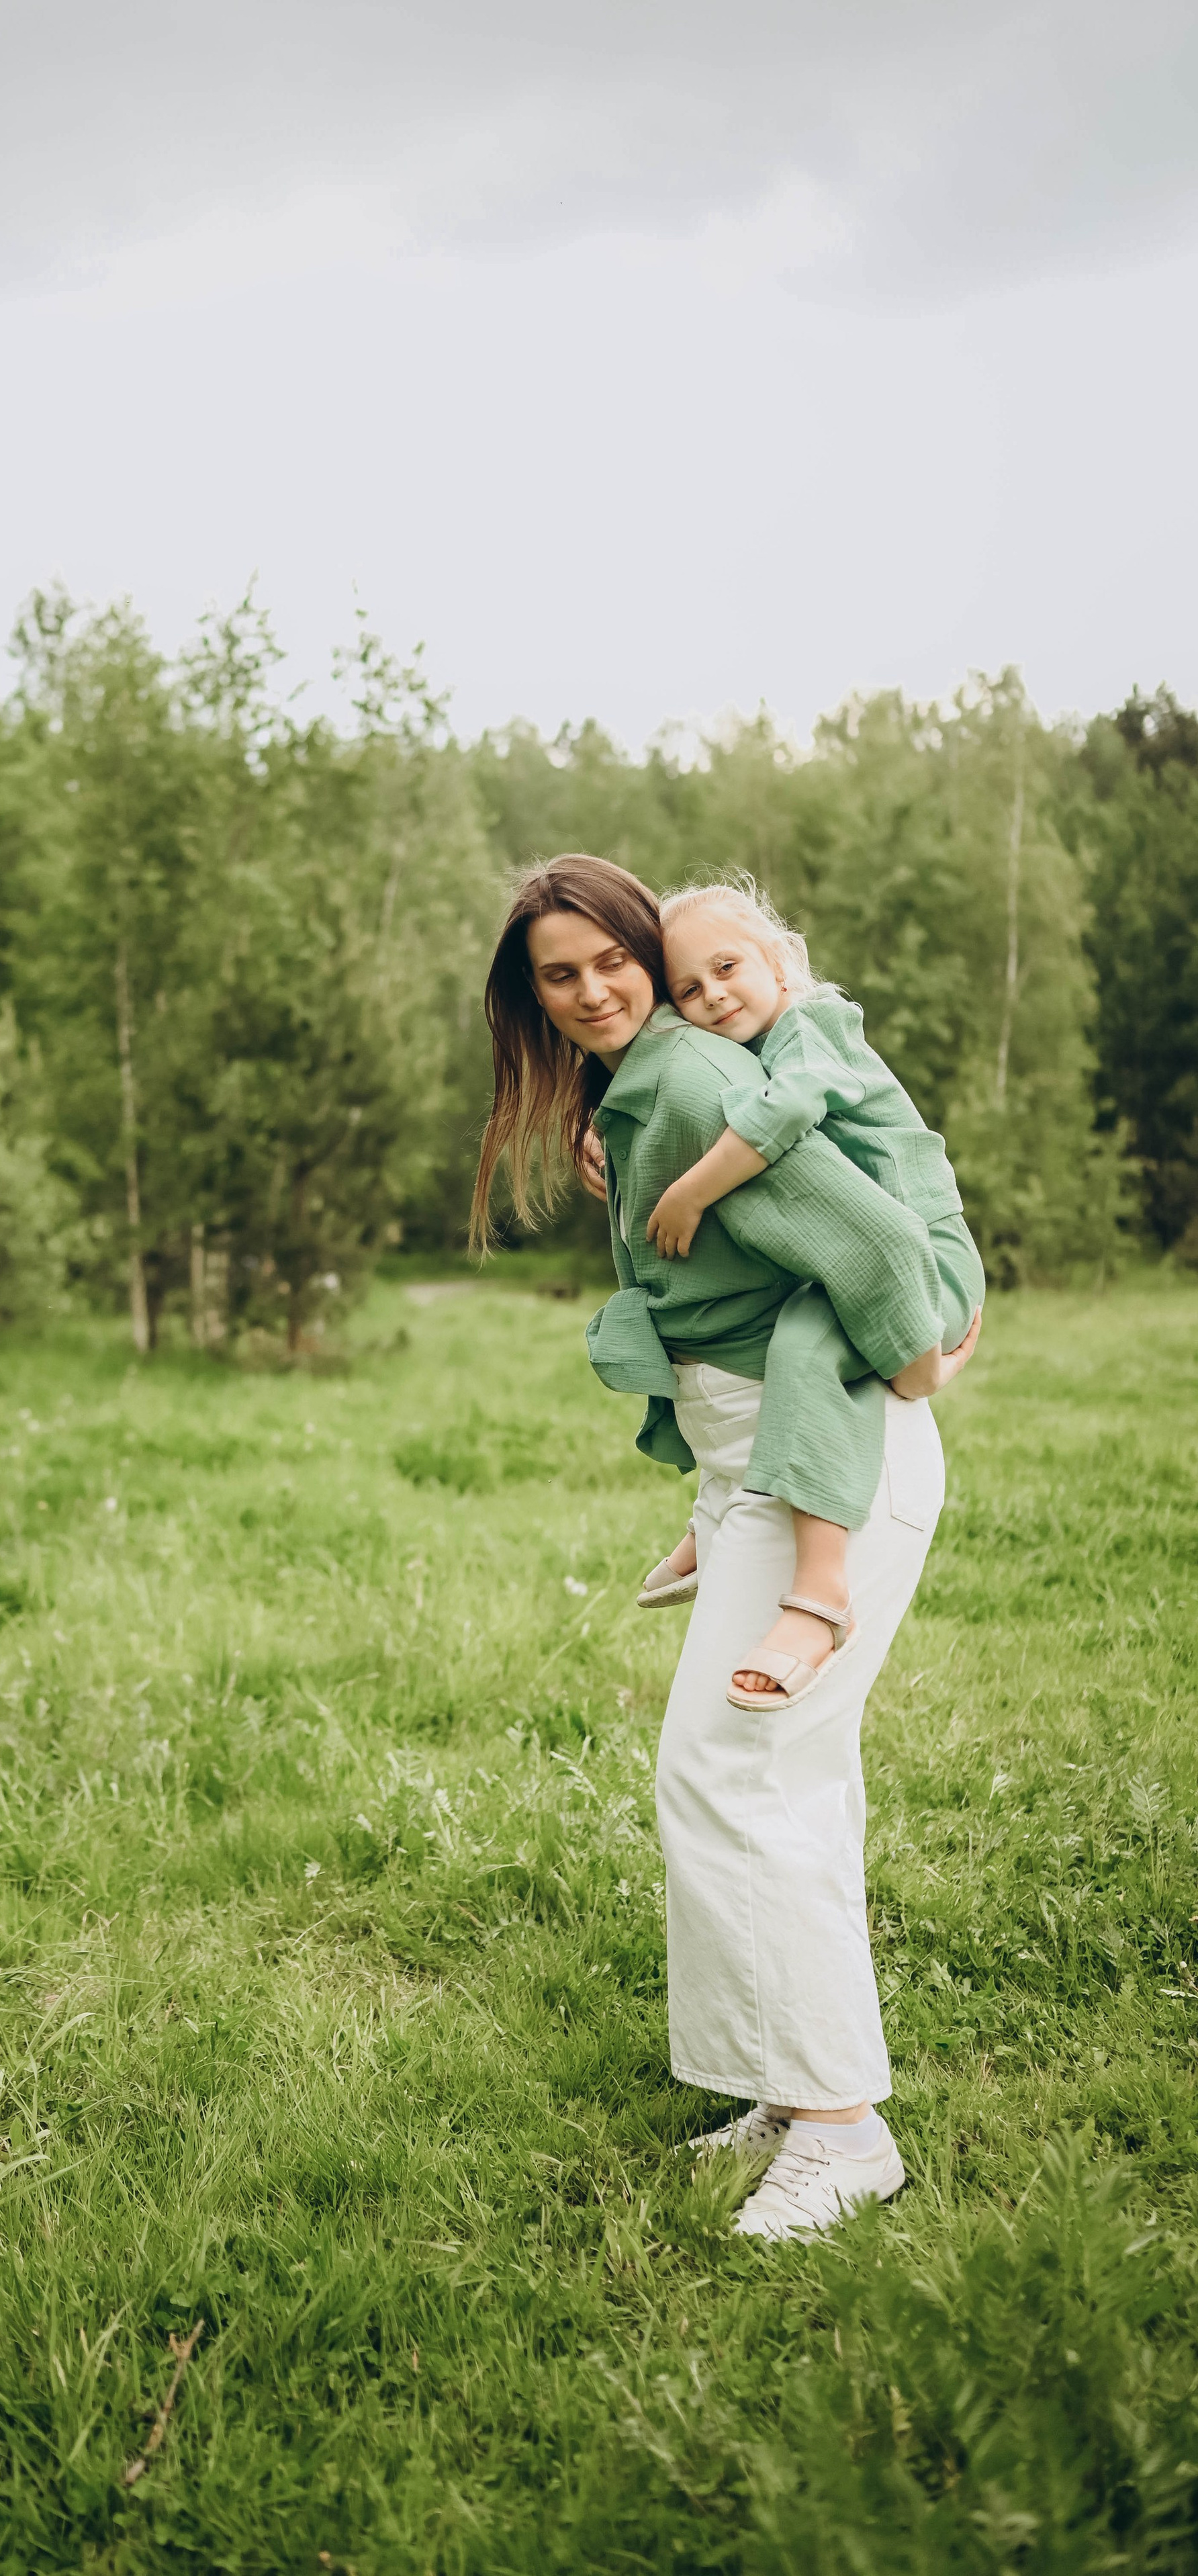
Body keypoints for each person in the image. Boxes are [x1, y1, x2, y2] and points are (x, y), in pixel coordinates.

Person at [471, 854, 978, 2241]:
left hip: (832, 1468)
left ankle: (842, 2131)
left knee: (731, 1769)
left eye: (610, 961)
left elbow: (881, 1245)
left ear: (648, 954)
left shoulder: (697, 1086)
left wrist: (923, 1358)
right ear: (531, 998)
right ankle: (789, 2087)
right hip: (759, 1477)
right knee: (767, 1775)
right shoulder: (647, 1093)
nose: (593, 991)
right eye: (558, 976)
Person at [629, 880, 984, 1710]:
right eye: (689, 988)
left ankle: (821, 1597)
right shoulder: (753, 1044)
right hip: (865, 1255)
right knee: (762, 1323)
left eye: (728, 967)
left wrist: (690, 1192)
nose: (714, 994)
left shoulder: (814, 1026)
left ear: (779, 962)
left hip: (923, 1257)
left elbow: (785, 1112)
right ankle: (722, 1507)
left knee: (801, 1343)